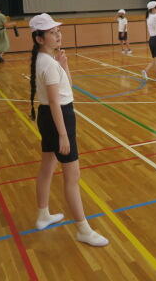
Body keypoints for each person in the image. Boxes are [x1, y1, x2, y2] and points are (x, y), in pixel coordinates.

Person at [29, 13, 109, 246]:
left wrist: (64, 66)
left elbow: (67, 89)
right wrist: (63, 135)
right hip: (59, 118)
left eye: (58, 31)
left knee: (47, 167)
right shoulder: (47, 63)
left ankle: (43, 214)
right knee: (72, 177)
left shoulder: (47, 60)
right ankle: (83, 230)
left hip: (49, 116)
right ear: (39, 39)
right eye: (51, 33)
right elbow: (56, 101)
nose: (57, 35)